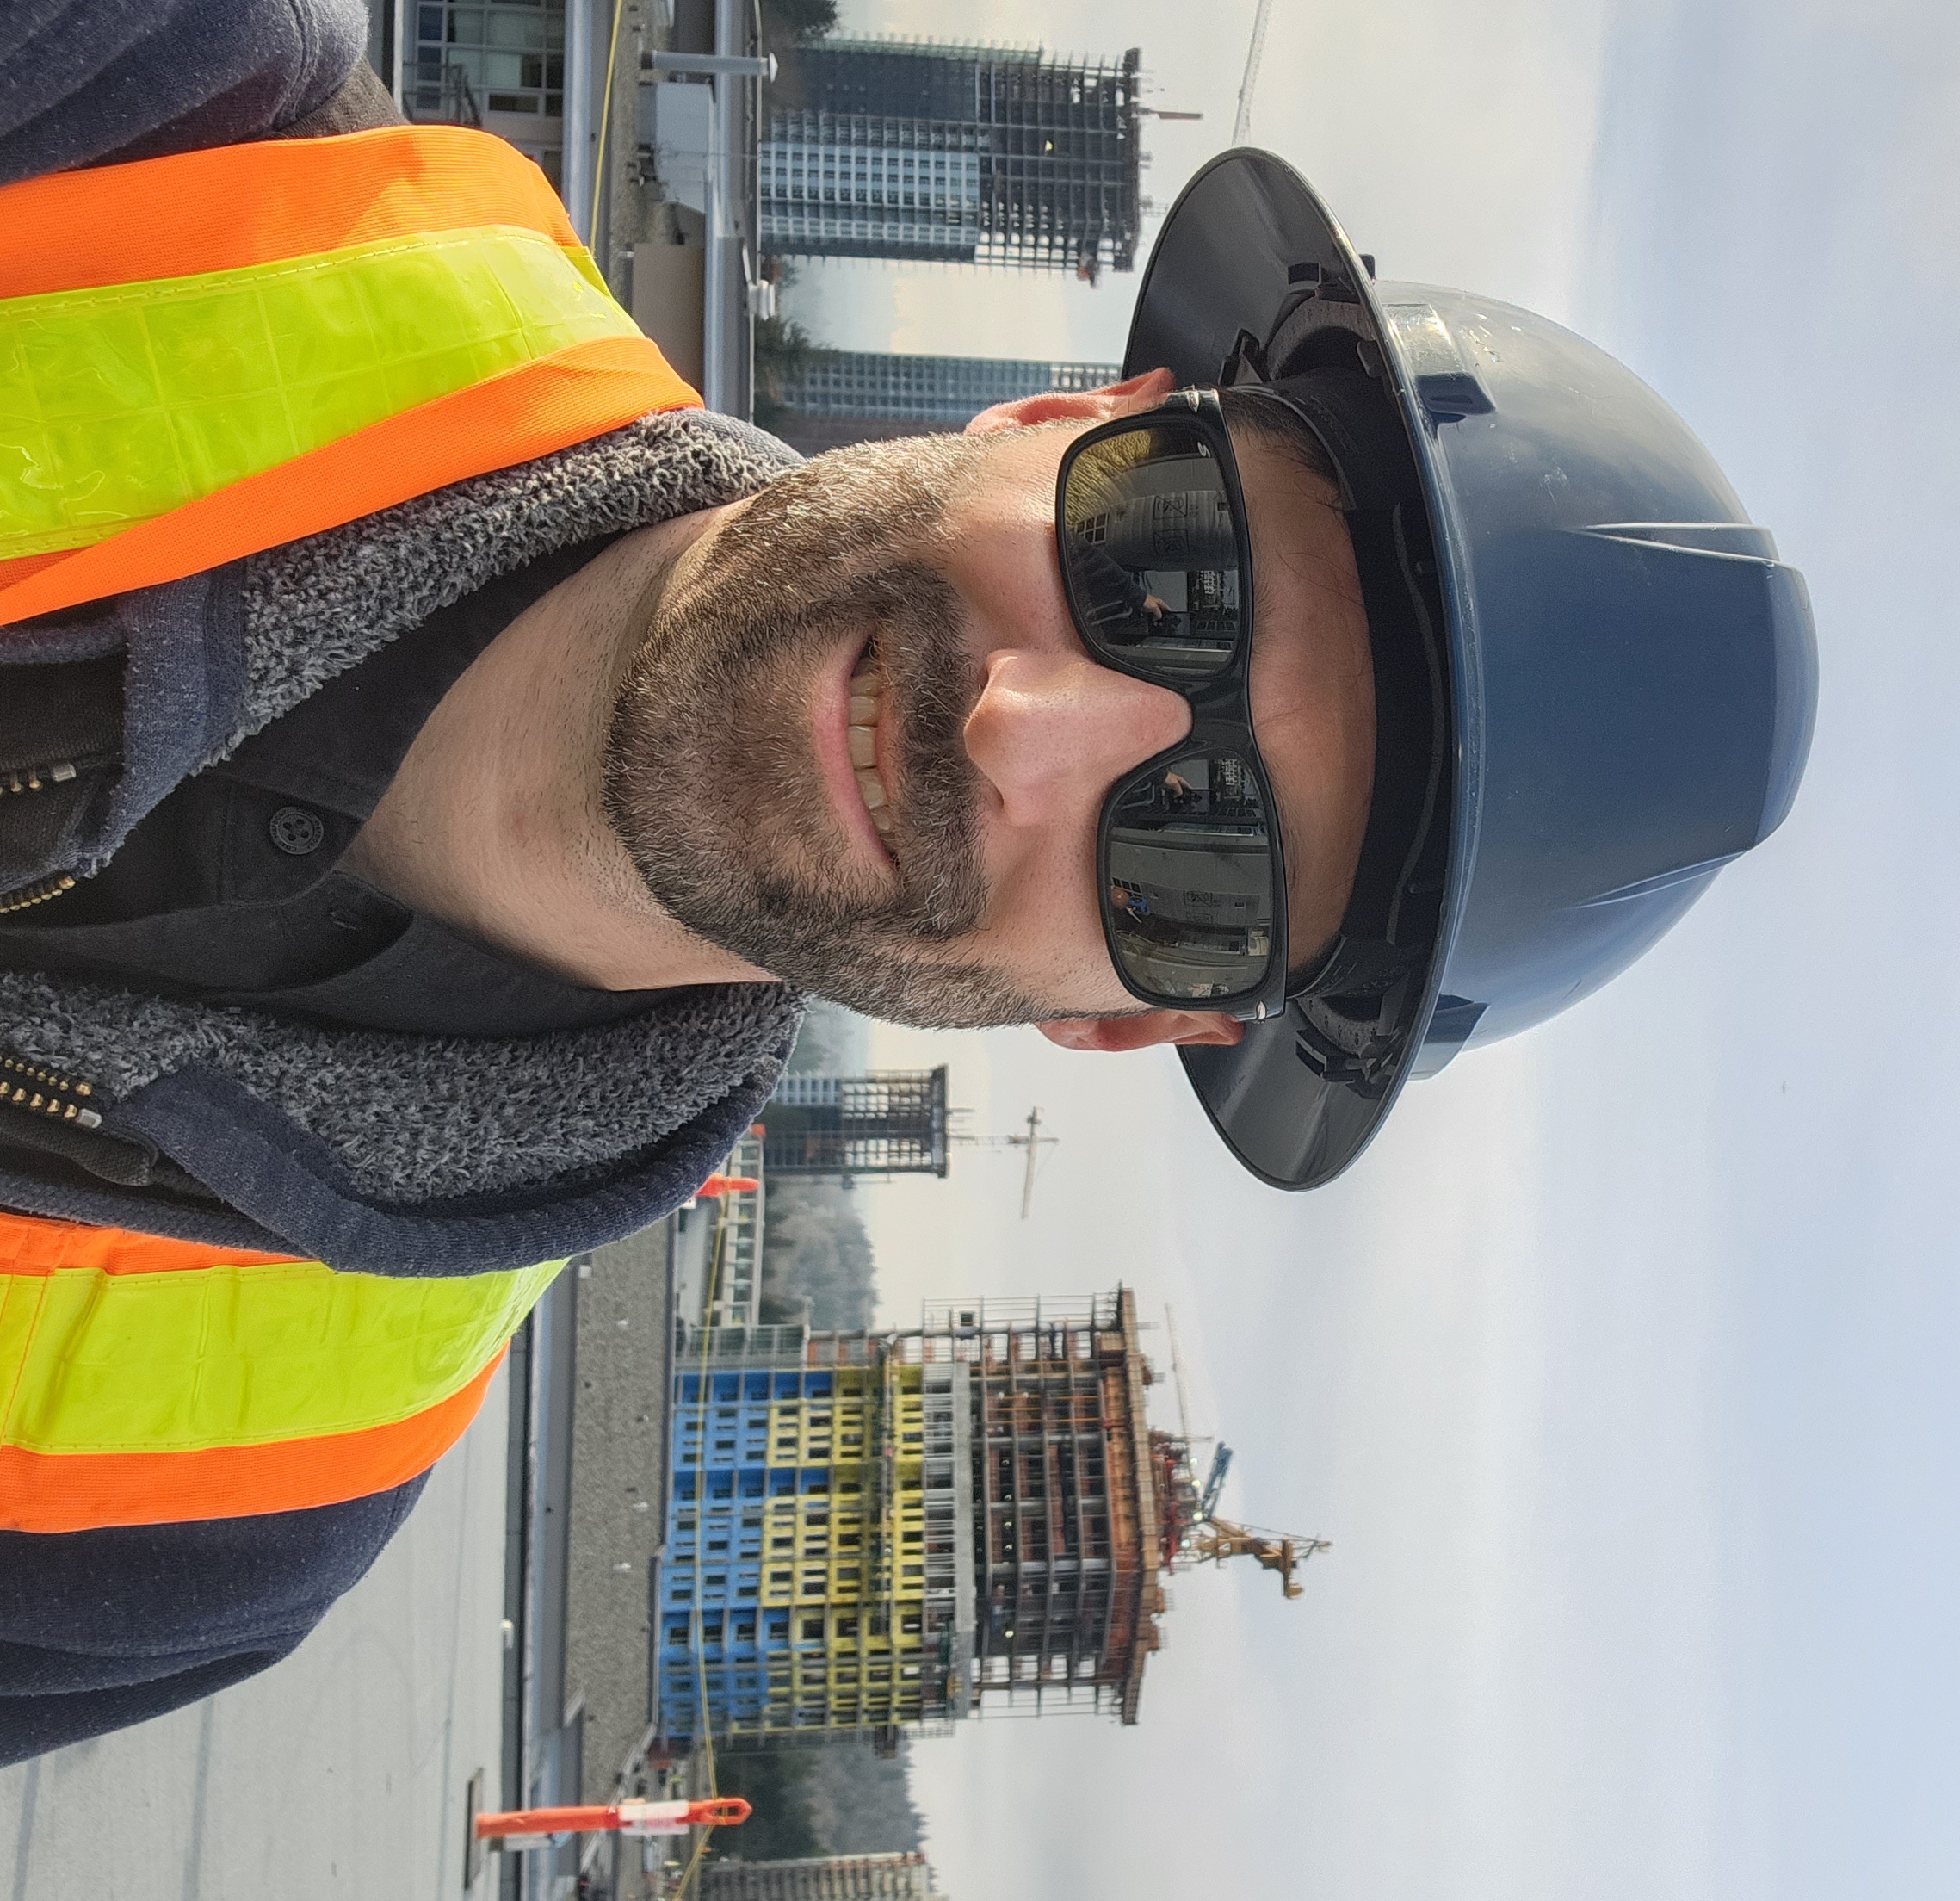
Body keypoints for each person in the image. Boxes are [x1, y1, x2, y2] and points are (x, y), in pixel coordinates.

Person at [0, 0, 1815, 1761]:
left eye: (1197, 849)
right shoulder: (149, 111)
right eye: (1164, 568)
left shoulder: (194, 1540)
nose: (1024, 730)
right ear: (1053, 414)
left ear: (1117, 1016)